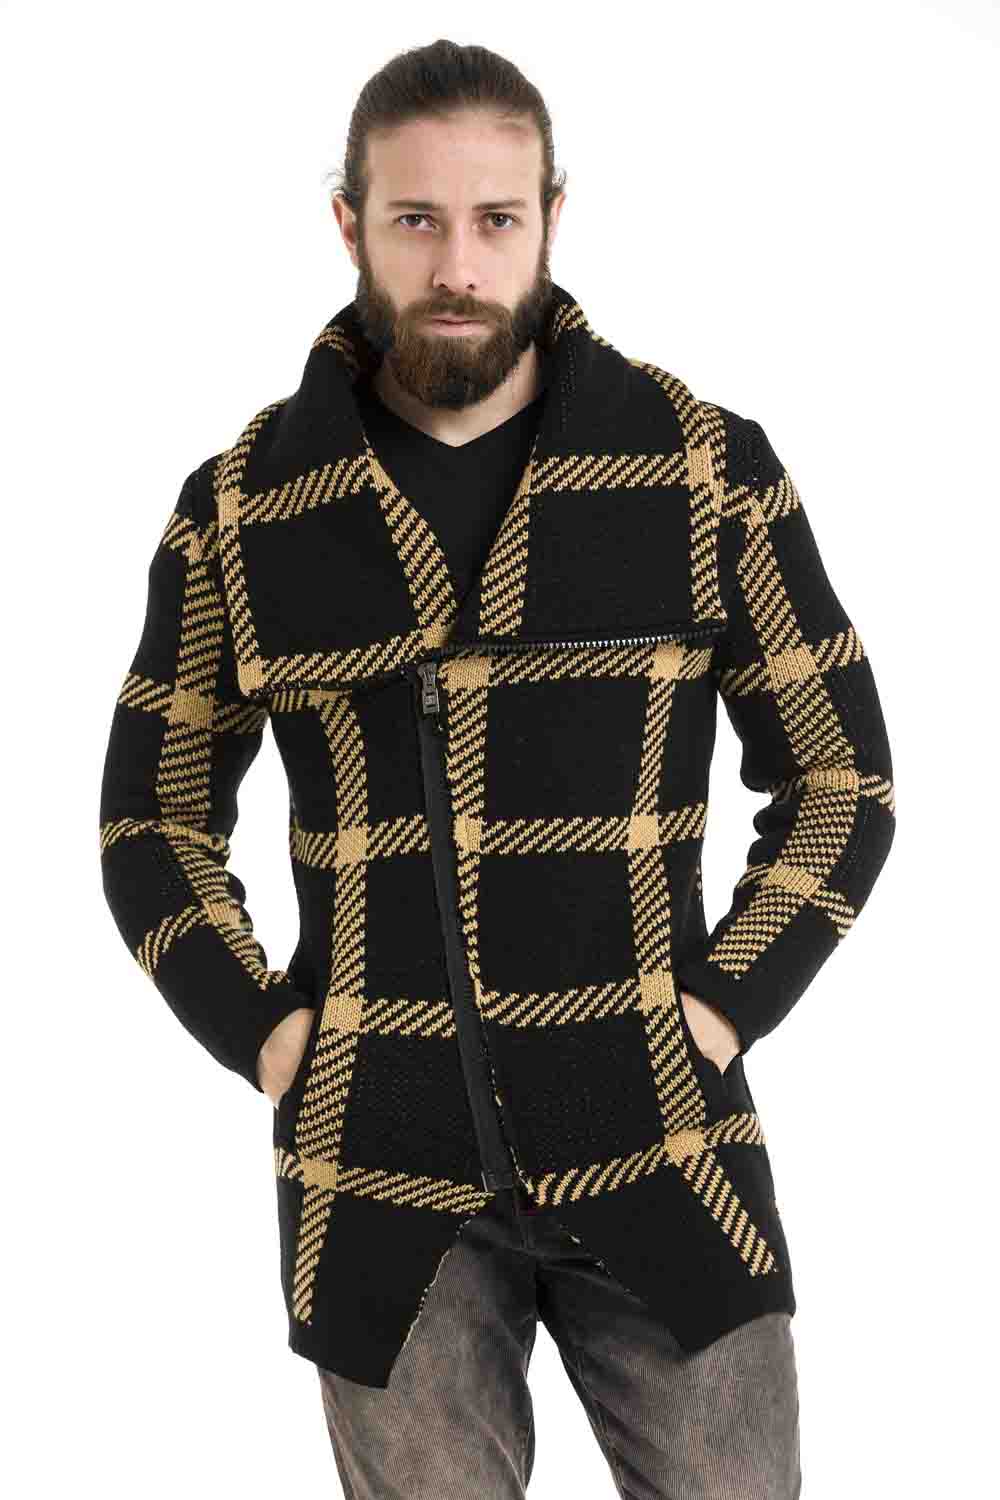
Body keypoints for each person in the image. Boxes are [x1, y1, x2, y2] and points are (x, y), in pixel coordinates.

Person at [99, 38, 895, 1499]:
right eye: (416, 220)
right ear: (349, 223)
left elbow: (842, 776)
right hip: (377, 1173)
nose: (457, 264)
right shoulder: (245, 507)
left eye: (495, 219)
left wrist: (723, 1006)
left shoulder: (703, 468)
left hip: (663, 1142)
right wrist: (268, 1035)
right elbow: (152, 815)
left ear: (552, 218)